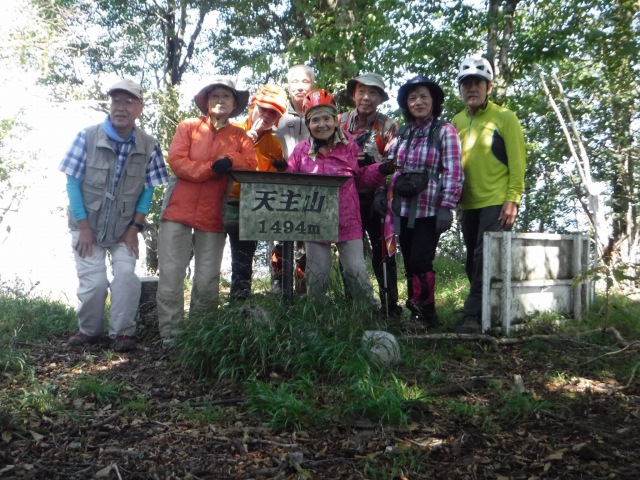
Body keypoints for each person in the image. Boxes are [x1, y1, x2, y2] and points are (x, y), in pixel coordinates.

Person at [59, 78, 169, 352]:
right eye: (116, 101)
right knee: (94, 283)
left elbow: (148, 191)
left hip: (125, 228)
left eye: (129, 101)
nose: (121, 107)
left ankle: (123, 333)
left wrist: (134, 228)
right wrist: (84, 227)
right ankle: (90, 330)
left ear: (140, 108)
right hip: (87, 224)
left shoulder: (149, 145)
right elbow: (72, 183)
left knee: (125, 277)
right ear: (109, 105)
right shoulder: (86, 136)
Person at [156, 77, 256, 347]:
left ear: (234, 104)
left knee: (208, 278)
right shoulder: (188, 127)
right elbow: (178, 162)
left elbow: (251, 162)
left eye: (226, 95)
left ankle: (199, 334)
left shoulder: (239, 136)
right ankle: (171, 335)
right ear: (206, 101)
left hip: (213, 214)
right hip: (177, 210)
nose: (220, 100)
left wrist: (231, 160)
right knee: (171, 274)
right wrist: (211, 169)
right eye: (215, 95)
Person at [285, 89, 395, 307]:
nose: (322, 124)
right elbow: (290, 183)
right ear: (308, 124)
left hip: (348, 219)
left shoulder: (349, 146)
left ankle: (367, 314)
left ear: (335, 121)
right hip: (315, 221)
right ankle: (317, 319)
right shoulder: (301, 151)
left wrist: (380, 168)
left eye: (326, 118)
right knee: (317, 274)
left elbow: (361, 178)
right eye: (315, 120)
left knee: (356, 270)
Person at [376, 75, 463, 327]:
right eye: (413, 97)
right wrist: (382, 192)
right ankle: (418, 311)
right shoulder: (402, 135)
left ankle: (424, 313)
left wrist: (448, 206)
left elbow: (453, 170)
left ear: (434, 100)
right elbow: (387, 166)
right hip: (401, 208)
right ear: (406, 104)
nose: (418, 102)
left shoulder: (444, 131)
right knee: (410, 259)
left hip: (430, 210)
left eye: (424, 96)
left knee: (421, 260)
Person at [452, 55, 526, 334]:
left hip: (496, 201)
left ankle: (472, 316)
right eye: (466, 84)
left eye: (477, 84)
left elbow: (518, 162)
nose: (471, 89)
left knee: (485, 257)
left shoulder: (505, 117)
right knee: (473, 258)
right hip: (467, 202)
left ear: (489, 88)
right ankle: (487, 308)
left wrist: (513, 199)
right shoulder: (457, 120)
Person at [339, 73, 401, 316]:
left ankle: (389, 307)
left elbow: (396, 163)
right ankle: (351, 306)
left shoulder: (389, 126)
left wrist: (382, 188)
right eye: (361, 91)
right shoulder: (339, 122)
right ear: (354, 94)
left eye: (373, 92)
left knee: (383, 251)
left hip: (377, 198)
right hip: (346, 197)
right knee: (347, 252)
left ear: (381, 98)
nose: (366, 97)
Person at [227, 83, 288, 300]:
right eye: (263, 109)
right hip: (222, 202)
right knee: (210, 257)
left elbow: (274, 181)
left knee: (243, 257)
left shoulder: (275, 145)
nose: (267, 115)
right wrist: (248, 137)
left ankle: (240, 300)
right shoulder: (232, 130)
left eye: (274, 112)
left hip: (252, 206)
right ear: (252, 106)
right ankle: (206, 305)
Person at [271, 65, 316, 293]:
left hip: (311, 188)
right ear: (287, 86)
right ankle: (278, 284)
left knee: (307, 241)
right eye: (295, 82)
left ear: (313, 85)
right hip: (280, 187)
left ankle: (302, 288)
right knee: (279, 236)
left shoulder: (321, 115)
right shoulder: (275, 116)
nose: (300, 86)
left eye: (305, 81)